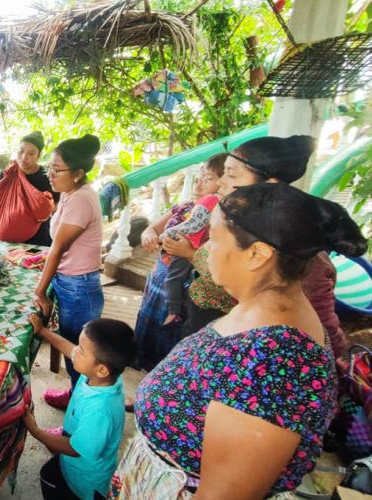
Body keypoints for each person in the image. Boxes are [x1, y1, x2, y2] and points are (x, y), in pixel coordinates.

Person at [109, 183, 367, 498]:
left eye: (213, 239)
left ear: (257, 254)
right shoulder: (262, 311)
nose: (203, 248)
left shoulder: (277, 365)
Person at [164, 136, 350, 357]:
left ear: (269, 184)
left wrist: (191, 254)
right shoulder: (231, 219)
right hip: (209, 323)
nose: (221, 182)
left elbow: (324, 332)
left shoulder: (295, 248)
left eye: (231, 174)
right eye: (223, 172)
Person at [25, 314, 136, 500]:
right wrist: (43, 331)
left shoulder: (100, 410)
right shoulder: (102, 378)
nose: (75, 352)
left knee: (49, 480)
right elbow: (69, 349)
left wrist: (35, 431)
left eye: (82, 350)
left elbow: (75, 448)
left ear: (101, 369)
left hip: (84, 484)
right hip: (75, 461)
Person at [133, 154, 226, 371]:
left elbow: (208, 255)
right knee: (148, 327)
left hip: (181, 285)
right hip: (158, 278)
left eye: (209, 178)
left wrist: (188, 251)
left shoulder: (216, 215)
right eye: (201, 175)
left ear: (223, 184)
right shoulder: (184, 206)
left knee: (169, 335)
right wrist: (148, 235)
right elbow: (152, 228)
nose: (200, 181)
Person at [33, 134, 103, 410]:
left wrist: (40, 290)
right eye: (49, 166)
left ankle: (81, 408)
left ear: (77, 174)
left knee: (80, 354)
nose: (49, 173)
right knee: (72, 347)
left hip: (79, 287)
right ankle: (75, 394)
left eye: (56, 169)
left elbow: (59, 247)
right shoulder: (70, 194)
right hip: (70, 282)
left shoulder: (81, 200)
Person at [158, 166, 223, 325]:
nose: (199, 184)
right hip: (190, 250)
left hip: (188, 249)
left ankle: (174, 312)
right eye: (198, 179)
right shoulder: (199, 202)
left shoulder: (211, 200)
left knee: (173, 279)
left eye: (207, 179)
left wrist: (169, 233)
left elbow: (193, 225)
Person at [0, 131, 60, 246]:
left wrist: (47, 210)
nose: (24, 157)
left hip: (38, 237)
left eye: (31, 154)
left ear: (39, 155)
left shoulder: (46, 177)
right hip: (7, 239)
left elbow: (58, 202)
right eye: (21, 151)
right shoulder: (7, 174)